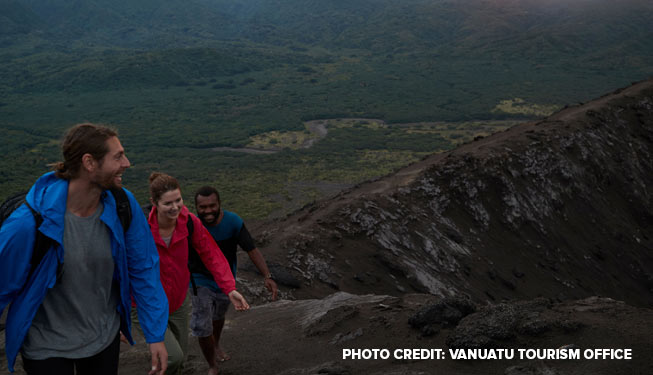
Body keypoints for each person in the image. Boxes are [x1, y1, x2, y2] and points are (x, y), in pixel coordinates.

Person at [0, 123, 169, 375]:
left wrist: (155, 334)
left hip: (103, 339)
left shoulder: (123, 205)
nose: (127, 163)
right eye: (118, 156)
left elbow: (143, 269)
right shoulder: (29, 223)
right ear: (89, 163)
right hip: (47, 346)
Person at [140, 173, 250, 375]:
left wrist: (229, 288)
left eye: (178, 200)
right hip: (149, 301)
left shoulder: (189, 222)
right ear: (154, 203)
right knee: (173, 358)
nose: (175, 207)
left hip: (177, 301)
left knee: (179, 357)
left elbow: (212, 254)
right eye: (168, 203)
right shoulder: (140, 226)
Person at [192, 186, 278, 374]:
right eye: (202, 207)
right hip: (199, 279)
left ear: (219, 204)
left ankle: (215, 344)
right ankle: (212, 365)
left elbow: (251, 249)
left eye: (212, 206)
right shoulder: (192, 224)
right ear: (196, 207)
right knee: (202, 321)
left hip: (226, 280)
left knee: (218, 316)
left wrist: (267, 276)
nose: (207, 211)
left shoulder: (233, 222)